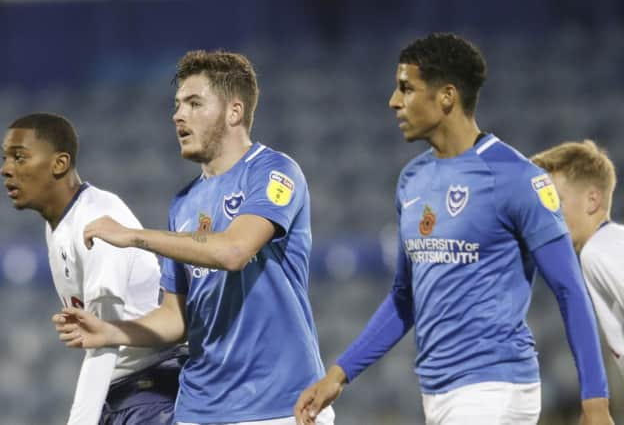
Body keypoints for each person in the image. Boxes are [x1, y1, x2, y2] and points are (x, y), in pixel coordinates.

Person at [294, 33, 614, 425]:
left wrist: (595, 403)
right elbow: (403, 298)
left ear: (446, 97)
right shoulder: (412, 180)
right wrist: (339, 374)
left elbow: (569, 288)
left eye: (406, 89)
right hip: (438, 392)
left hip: (497, 386)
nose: (394, 101)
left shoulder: (516, 178)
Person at [53, 50, 334, 425]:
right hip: (199, 410)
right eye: (177, 104)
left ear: (234, 112)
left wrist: (134, 237)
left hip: (280, 408)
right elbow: (177, 319)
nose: (178, 115)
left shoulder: (273, 172)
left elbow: (234, 250)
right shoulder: (183, 203)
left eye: (194, 103)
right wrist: (110, 333)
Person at [0, 112, 187, 425]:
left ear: (59, 164)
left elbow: (105, 342)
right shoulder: (61, 223)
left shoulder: (96, 224)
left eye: (19, 157)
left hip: (152, 390)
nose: (6, 169)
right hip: (127, 392)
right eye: (5, 158)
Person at [532, 140, 624, 379]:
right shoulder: (611, 243)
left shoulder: (599, 251)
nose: (548, 213)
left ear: (592, 201)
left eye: (556, 202)